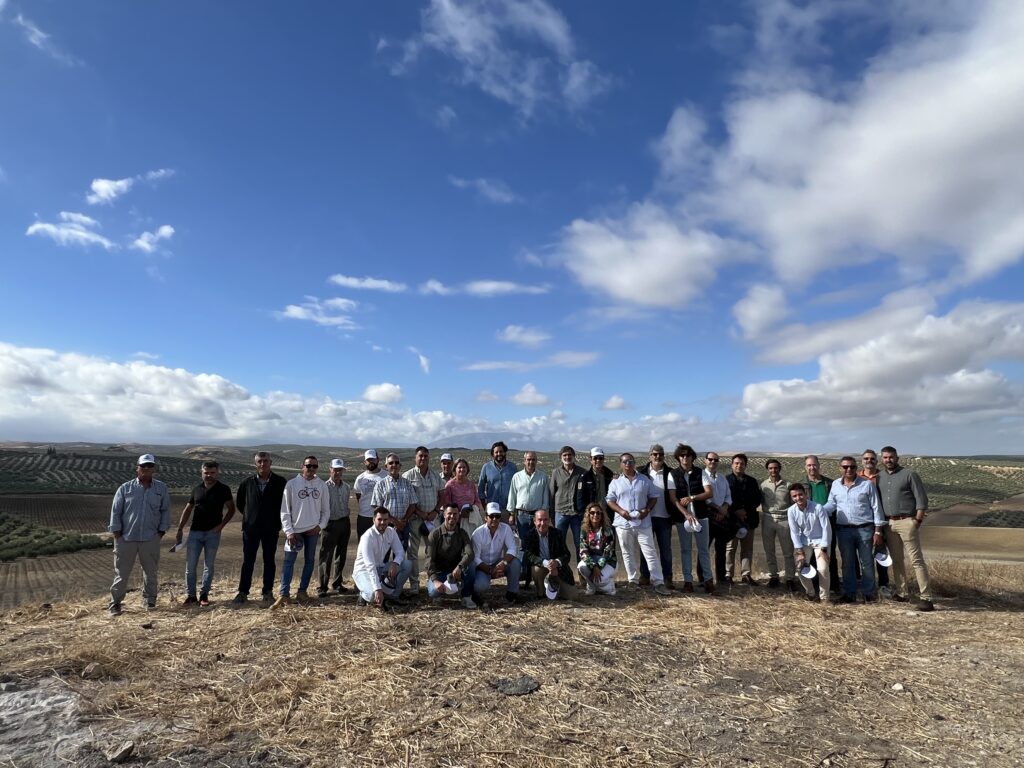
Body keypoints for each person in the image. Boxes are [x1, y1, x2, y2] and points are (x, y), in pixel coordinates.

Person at [108, 454, 171, 615]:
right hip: (126, 538)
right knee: (121, 573)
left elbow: (165, 511)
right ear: (137, 468)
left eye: (150, 466)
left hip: (150, 538)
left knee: (150, 572)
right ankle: (115, 603)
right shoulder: (125, 488)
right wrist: (117, 534)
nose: (147, 469)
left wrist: (161, 532)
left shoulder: (161, 489)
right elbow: (116, 512)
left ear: (154, 469)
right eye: (143, 466)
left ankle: (150, 601)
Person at [877, 446, 934, 611]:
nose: (889, 460)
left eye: (891, 457)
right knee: (897, 560)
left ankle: (926, 597)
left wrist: (917, 520)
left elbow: (921, 499)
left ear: (897, 458)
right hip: (889, 524)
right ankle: (902, 593)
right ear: (882, 459)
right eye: (886, 457)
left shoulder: (909, 474)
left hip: (906, 521)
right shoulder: (879, 477)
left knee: (916, 560)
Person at [606, 453, 671, 596]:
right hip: (623, 523)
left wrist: (647, 510)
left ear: (634, 463)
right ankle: (632, 581)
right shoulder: (615, 482)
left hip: (643, 522)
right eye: (624, 462)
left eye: (630, 461)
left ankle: (658, 582)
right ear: (621, 465)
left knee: (650, 552)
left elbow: (654, 497)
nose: (628, 463)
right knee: (627, 552)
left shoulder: (644, 480)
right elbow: (610, 500)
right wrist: (621, 511)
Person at [822, 457, 885, 603]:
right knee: (847, 563)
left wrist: (878, 531)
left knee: (867, 562)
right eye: (845, 467)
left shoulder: (867, 485)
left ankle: (868, 594)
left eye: (851, 467)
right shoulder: (836, 485)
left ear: (856, 467)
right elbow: (831, 504)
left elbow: (876, 508)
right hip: (844, 531)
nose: (848, 470)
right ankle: (849, 594)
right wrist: (817, 510)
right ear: (840, 468)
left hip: (865, 529)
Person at [175, 460, 236, 606]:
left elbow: (231, 509)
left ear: (217, 473)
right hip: (195, 533)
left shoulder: (224, 489)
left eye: (212, 473)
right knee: (190, 567)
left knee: (209, 565)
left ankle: (204, 595)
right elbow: (188, 509)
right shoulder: (196, 489)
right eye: (206, 472)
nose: (209, 475)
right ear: (201, 472)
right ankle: (191, 596)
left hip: (212, 533)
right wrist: (179, 528)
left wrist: (221, 526)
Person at [234, 451, 286, 604]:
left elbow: (285, 503)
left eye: (265, 461)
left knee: (269, 560)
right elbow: (241, 504)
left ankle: (268, 592)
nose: (263, 464)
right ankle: (243, 592)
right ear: (255, 463)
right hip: (251, 529)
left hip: (271, 528)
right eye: (260, 461)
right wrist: (251, 516)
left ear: (271, 462)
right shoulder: (247, 482)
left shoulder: (280, 482)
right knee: (248, 560)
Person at [276, 456, 330, 607]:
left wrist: (320, 526)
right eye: (308, 466)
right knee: (288, 562)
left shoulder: (321, 485)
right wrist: (289, 532)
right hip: (295, 531)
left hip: (313, 531)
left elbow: (326, 510)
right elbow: (285, 510)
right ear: (302, 466)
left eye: (314, 466)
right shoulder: (291, 484)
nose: (311, 469)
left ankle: (302, 592)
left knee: (310, 561)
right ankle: (284, 594)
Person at [672, 444, 714, 593]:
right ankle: (688, 582)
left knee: (703, 549)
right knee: (686, 550)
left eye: (688, 455)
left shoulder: (701, 473)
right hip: (683, 518)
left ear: (692, 457)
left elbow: (709, 493)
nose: (685, 458)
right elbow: (673, 498)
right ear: (678, 457)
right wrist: (686, 514)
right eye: (682, 455)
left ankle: (708, 580)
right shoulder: (673, 474)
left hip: (701, 516)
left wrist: (692, 498)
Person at [352, 508, 413, 610]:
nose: (382, 522)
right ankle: (362, 594)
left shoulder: (391, 532)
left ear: (389, 520)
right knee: (372, 594)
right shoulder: (367, 537)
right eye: (379, 519)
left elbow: (400, 552)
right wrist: (377, 589)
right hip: (364, 571)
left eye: (385, 519)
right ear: (374, 519)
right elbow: (369, 565)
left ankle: (393, 597)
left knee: (407, 564)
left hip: (381, 568)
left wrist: (395, 563)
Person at [402, 446, 443, 594]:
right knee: (412, 553)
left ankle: (432, 581)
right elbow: (406, 500)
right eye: (420, 456)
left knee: (432, 551)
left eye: (426, 456)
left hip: (432, 519)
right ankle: (414, 585)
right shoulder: (407, 476)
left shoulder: (435, 476)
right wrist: (420, 513)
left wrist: (436, 511)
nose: (423, 458)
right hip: (414, 519)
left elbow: (442, 495)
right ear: (415, 458)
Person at [507, 451, 550, 587]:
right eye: (528, 459)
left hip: (537, 516)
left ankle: (536, 577)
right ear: (524, 461)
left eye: (533, 459)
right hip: (522, 516)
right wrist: (512, 514)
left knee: (537, 545)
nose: (531, 462)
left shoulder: (542, 477)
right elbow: (512, 496)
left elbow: (545, 498)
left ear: (536, 461)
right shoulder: (517, 477)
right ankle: (524, 576)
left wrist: (543, 516)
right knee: (524, 546)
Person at [638, 444, 678, 588]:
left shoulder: (671, 473)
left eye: (660, 454)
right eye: (654, 454)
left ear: (663, 456)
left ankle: (667, 577)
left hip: (665, 517)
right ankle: (645, 576)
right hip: (646, 517)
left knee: (665, 550)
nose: (657, 457)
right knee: (646, 548)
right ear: (650, 456)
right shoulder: (641, 472)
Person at [471, 502, 523, 605]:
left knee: (515, 563)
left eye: (497, 516)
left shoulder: (506, 528)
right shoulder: (477, 533)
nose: (494, 519)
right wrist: (490, 570)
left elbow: (512, 549)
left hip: (497, 563)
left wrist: (503, 563)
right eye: (491, 516)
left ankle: (512, 593)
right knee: (480, 586)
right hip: (482, 567)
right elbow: (476, 558)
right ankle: (474, 594)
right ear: (486, 517)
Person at [787, 483, 831, 603]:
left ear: (805, 494)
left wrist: (824, 549)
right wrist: (799, 551)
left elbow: (826, 528)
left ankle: (824, 598)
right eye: (794, 496)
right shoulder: (791, 511)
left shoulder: (818, 508)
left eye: (800, 494)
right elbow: (794, 532)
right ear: (792, 498)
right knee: (800, 568)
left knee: (822, 569)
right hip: (804, 543)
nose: (798, 498)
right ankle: (810, 594)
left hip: (820, 542)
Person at [426, 503, 476, 609]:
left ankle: (466, 596)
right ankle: (438, 593)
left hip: (456, 573)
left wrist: (460, 567)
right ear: (444, 515)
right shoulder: (434, 535)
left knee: (472, 564)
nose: (452, 516)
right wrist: (435, 580)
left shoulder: (463, 533)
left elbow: (470, 553)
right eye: (449, 513)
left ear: (459, 515)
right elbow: (429, 560)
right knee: (433, 592)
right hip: (439, 572)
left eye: (455, 514)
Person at [522, 509, 577, 600]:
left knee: (572, 596)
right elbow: (530, 556)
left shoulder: (557, 533)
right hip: (542, 566)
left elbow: (566, 555)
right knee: (536, 569)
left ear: (549, 521)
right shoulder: (529, 535)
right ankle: (541, 593)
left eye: (546, 520)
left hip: (558, 569)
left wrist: (557, 562)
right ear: (534, 521)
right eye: (540, 520)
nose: (543, 523)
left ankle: (554, 588)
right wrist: (547, 563)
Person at [804, 455, 839, 596]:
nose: (812, 468)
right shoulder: (803, 485)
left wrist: (822, 512)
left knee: (829, 555)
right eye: (809, 465)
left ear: (819, 465)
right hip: (809, 524)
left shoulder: (829, 483)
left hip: (827, 523)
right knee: (811, 556)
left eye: (814, 465)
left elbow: (835, 502)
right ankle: (813, 587)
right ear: (805, 467)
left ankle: (833, 586)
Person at [858, 450, 891, 597]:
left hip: (882, 521)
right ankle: (864, 584)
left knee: (881, 552)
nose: (868, 461)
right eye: (866, 458)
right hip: (863, 522)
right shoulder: (856, 477)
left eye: (872, 458)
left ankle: (883, 585)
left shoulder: (883, 477)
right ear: (861, 461)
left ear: (876, 461)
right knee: (863, 557)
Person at [549, 445, 586, 578]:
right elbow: (552, 495)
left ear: (573, 456)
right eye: (564, 455)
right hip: (561, 513)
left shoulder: (581, 472)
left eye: (569, 455)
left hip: (577, 515)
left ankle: (582, 575)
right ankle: (560, 574)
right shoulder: (555, 473)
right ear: (561, 457)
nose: (567, 457)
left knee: (579, 545)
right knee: (559, 545)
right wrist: (551, 515)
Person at [760, 458, 796, 591]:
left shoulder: (787, 485)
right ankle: (774, 576)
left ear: (779, 469)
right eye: (770, 468)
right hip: (768, 518)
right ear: (767, 470)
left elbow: (793, 504)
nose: (773, 470)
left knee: (788, 551)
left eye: (775, 468)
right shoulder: (763, 485)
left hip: (784, 519)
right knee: (769, 550)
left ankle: (790, 579)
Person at [318, 458, 352, 597]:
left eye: (340, 470)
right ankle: (323, 586)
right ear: (330, 469)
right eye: (335, 469)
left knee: (341, 555)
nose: (337, 472)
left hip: (344, 522)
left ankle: (337, 583)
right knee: (326, 556)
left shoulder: (346, 487)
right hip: (329, 524)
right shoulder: (323, 487)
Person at [725, 454, 761, 585]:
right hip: (731, 521)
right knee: (730, 548)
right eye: (736, 463)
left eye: (742, 464)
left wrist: (745, 510)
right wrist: (735, 510)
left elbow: (757, 499)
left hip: (749, 519)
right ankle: (728, 575)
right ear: (732, 464)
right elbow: (723, 498)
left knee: (747, 549)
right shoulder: (725, 480)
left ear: (745, 465)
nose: (739, 465)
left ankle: (746, 574)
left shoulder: (752, 481)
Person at [703, 452, 734, 586]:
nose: (713, 462)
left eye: (716, 460)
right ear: (705, 461)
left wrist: (725, 508)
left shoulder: (722, 478)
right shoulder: (701, 476)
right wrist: (718, 508)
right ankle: (703, 578)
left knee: (721, 549)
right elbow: (705, 497)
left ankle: (721, 577)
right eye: (710, 459)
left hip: (722, 517)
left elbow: (728, 496)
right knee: (704, 549)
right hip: (708, 516)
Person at [577, 503, 617, 595]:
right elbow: (583, 552)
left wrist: (598, 567)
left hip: (608, 562)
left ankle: (610, 586)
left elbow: (608, 552)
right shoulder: (584, 530)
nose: (595, 515)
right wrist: (594, 566)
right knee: (581, 567)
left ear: (602, 515)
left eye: (598, 513)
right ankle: (592, 587)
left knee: (599, 580)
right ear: (588, 515)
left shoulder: (608, 530)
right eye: (592, 512)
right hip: (593, 561)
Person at [478, 441, 517, 522]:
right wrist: (485, 506)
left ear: (505, 452)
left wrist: (513, 512)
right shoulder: (486, 467)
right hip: (491, 510)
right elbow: (480, 488)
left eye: (501, 451)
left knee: (507, 533)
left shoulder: (513, 468)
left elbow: (517, 488)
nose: (499, 454)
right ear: (493, 454)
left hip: (507, 510)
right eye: (496, 452)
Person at [442, 458, 483, 534]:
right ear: (455, 469)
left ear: (467, 469)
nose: (462, 469)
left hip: (472, 519)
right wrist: (459, 514)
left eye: (464, 467)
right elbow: (446, 505)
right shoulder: (450, 485)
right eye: (459, 467)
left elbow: (477, 501)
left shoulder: (471, 484)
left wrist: (473, 510)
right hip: (456, 521)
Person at [575, 447, 613, 524]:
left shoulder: (609, 475)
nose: (598, 460)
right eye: (595, 458)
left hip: (606, 515)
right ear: (591, 460)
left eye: (600, 458)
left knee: (608, 535)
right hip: (591, 516)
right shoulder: (584, 476)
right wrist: (584, 515)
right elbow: (579, 498)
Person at [353, 449, 385, 539]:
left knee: (381, 545)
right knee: (363, 544)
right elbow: (358, 497)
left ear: (378, 460)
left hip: (381, 516)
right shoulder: (360, 478)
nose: (371, 462)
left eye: (373, 459)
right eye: (368, 460)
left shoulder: (386, 476)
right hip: (364, 517)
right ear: (365, 462)